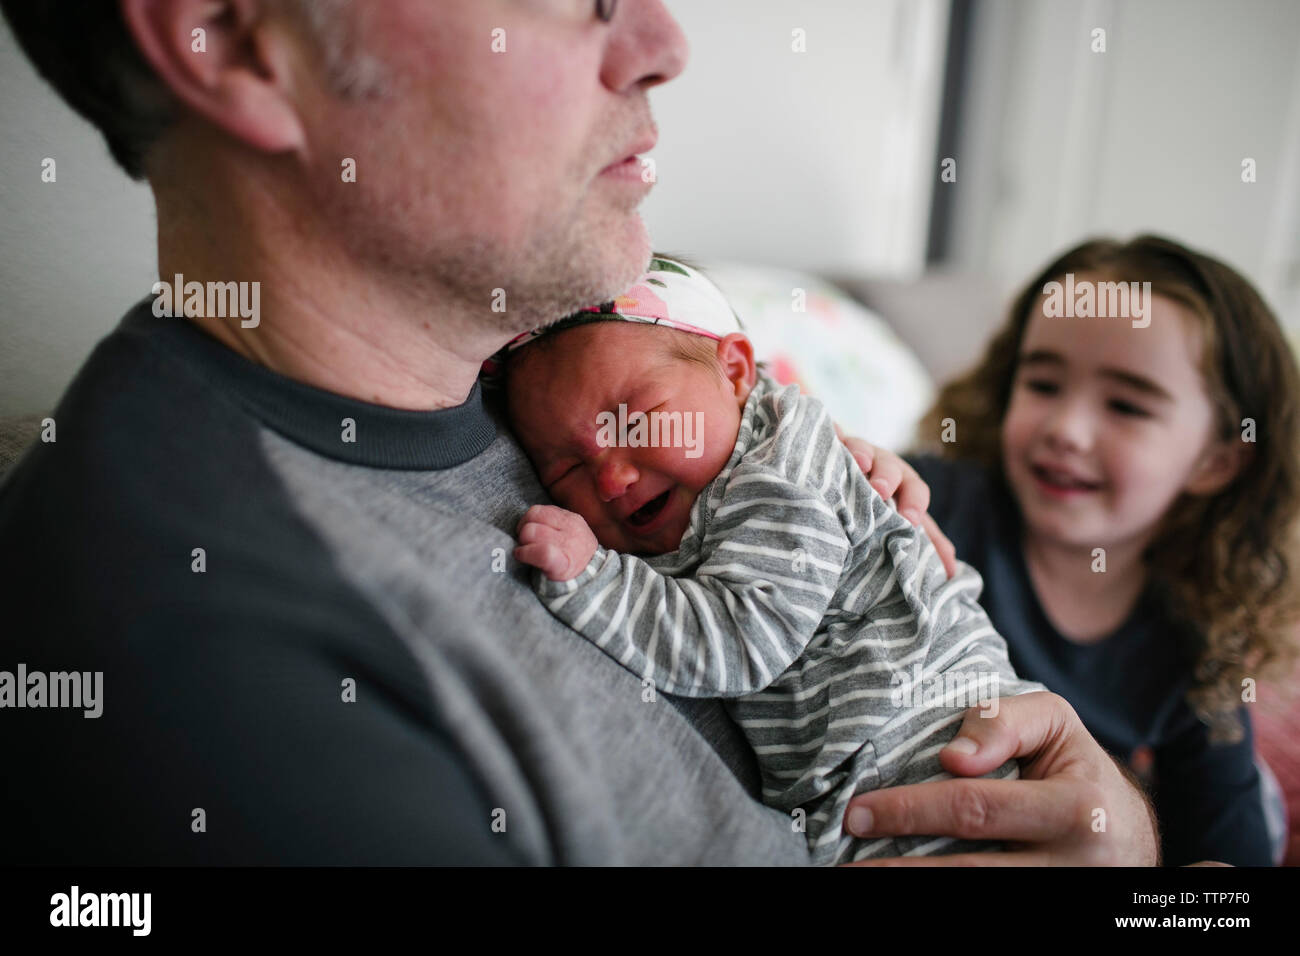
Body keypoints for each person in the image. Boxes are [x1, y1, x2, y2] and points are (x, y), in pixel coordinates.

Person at [0, 0, 1156, 865]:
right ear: (230, 37)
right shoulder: (200, 651)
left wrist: (1124, 837)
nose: (662, 38)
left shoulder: (538, 373)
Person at [500, 256, 1049, 864]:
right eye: (567, 469)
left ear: (735, 373)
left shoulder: (776, 477)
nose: (611, 478)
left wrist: (592, 577)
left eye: (637, 420)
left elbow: (739, 640)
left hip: (934, 759)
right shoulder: (720, 465)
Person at [907, 234, 1300, 866]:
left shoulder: (1197, 640)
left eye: (1126, 404)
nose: (1066, 428)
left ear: (1217, 460)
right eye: (1042, 383)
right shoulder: (935, 505)